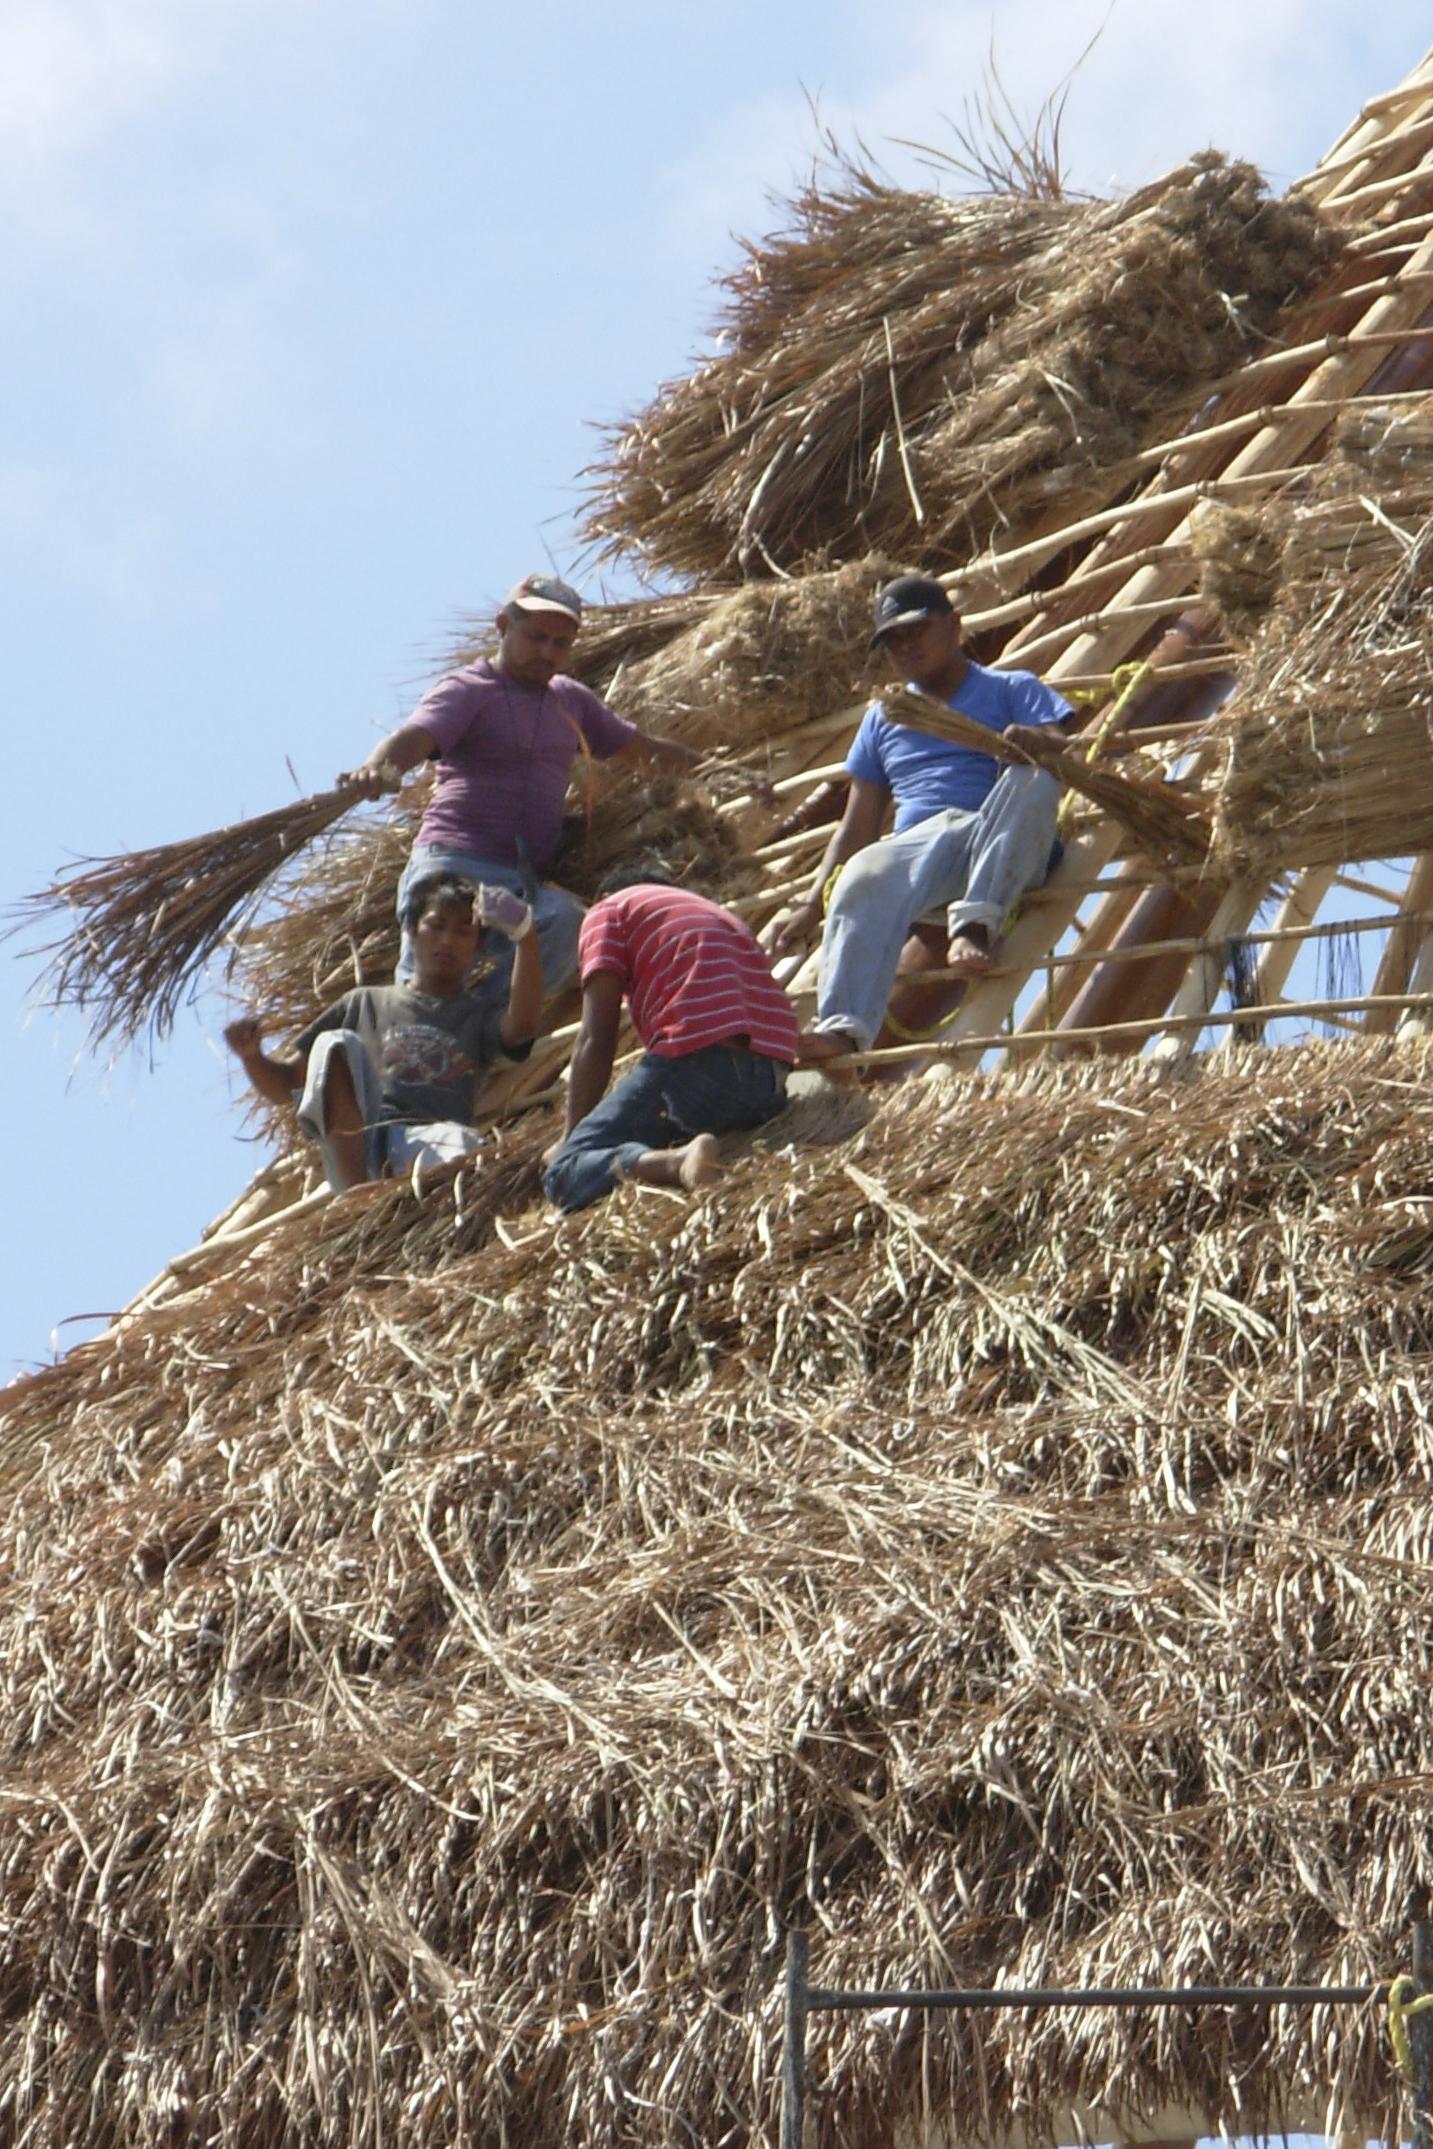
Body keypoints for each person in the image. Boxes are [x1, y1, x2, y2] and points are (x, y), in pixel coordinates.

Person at [336, 572, 697, 998]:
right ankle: (421, 1033)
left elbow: (641, 749)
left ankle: (487, 1031)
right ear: (503, 627)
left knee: (568, 923)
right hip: (456, 862)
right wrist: (378, 767)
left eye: (560, 644)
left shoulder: (570, 701)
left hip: (521, 880)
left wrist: (717, 769)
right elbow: (414, 737)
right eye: (536, 637)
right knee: (425, 990)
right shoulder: (469, 690)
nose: (547, 652)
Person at [775, 573, 1071, 1061]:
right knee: (861, 875)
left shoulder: (1011, 687)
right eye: (893, 640)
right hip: (922, 853)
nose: (906, 646)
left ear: (955, 626)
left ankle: (977, 924)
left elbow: (1063, 747)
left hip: (998, 837)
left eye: (917, 630)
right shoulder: (884, 718)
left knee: (1034, 781)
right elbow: (859, 823)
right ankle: (843, 1030)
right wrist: (811, 904)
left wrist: (1039, 743)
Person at [224, 873, 542, 1193]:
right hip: (362, 1142)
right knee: (334, 1043)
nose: (447, 940)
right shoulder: (364, 1003)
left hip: (434, 1143)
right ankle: (357, 1199)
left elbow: (521, 1027)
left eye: (463, 931)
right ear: (411, 930)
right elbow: (285, 1084)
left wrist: (524, 935)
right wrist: (252, 1057)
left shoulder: (477, 1013)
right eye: (436, 925)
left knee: (463, 1143)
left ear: (478, 945)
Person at [543, 868, 798, 1213]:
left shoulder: (608, 911)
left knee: (564, 1174)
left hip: (700, 1066)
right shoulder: (720, 916)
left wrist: (573, 1138)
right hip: (769, 1085)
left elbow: (595, 1038)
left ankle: (678, 1162)